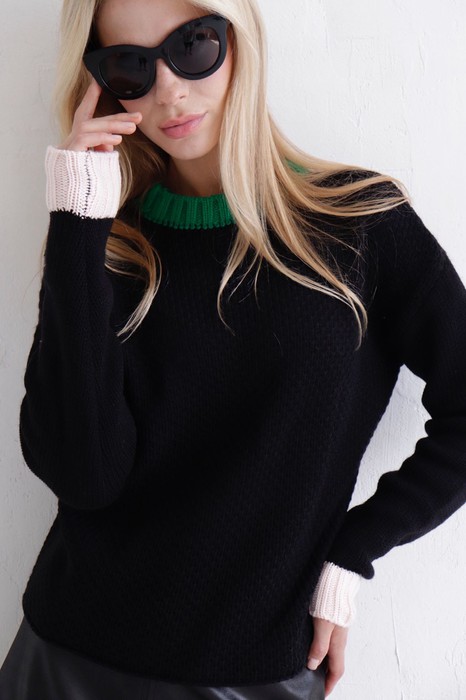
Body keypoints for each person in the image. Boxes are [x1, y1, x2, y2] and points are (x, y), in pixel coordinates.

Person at [1, 0, 466, 698]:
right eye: (129, 66)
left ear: (239, 41)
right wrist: (76, 217)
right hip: (68, 657)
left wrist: (354, 553)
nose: (168, 91)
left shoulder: (360, 224)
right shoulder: (106, 241)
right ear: (99, 83)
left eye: (193, 46)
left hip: (255, 673)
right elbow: (84, 474)